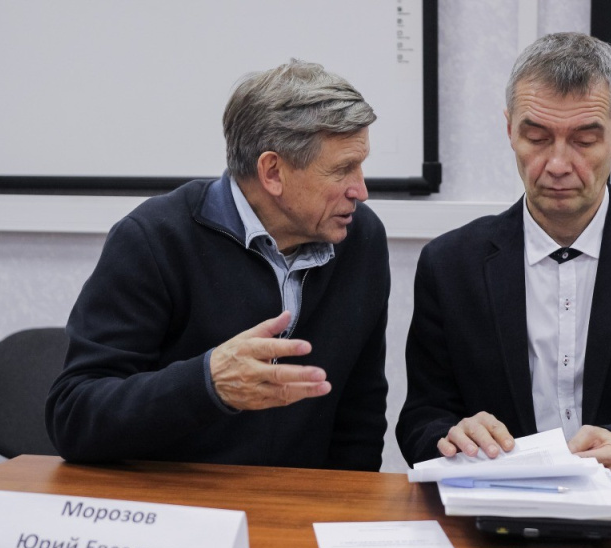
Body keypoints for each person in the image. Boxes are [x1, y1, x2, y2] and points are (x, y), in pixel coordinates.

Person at [396, 33, 611, 486]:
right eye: (537, 138)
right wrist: (452, 437)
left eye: (583, 140)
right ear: (509, 131)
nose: (558, 164)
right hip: (502, 505)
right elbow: (422, 417)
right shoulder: (449, 265)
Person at [47, 60, 389, 471]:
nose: (361, 191)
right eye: (342, 170)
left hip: (301, 500)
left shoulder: (360, 239)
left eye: (361, 165)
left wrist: (346, 503)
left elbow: (360, 411)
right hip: (172, 498)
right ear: (273, 172)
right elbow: (74, 415)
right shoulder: (154, 239)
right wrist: (206, 384)